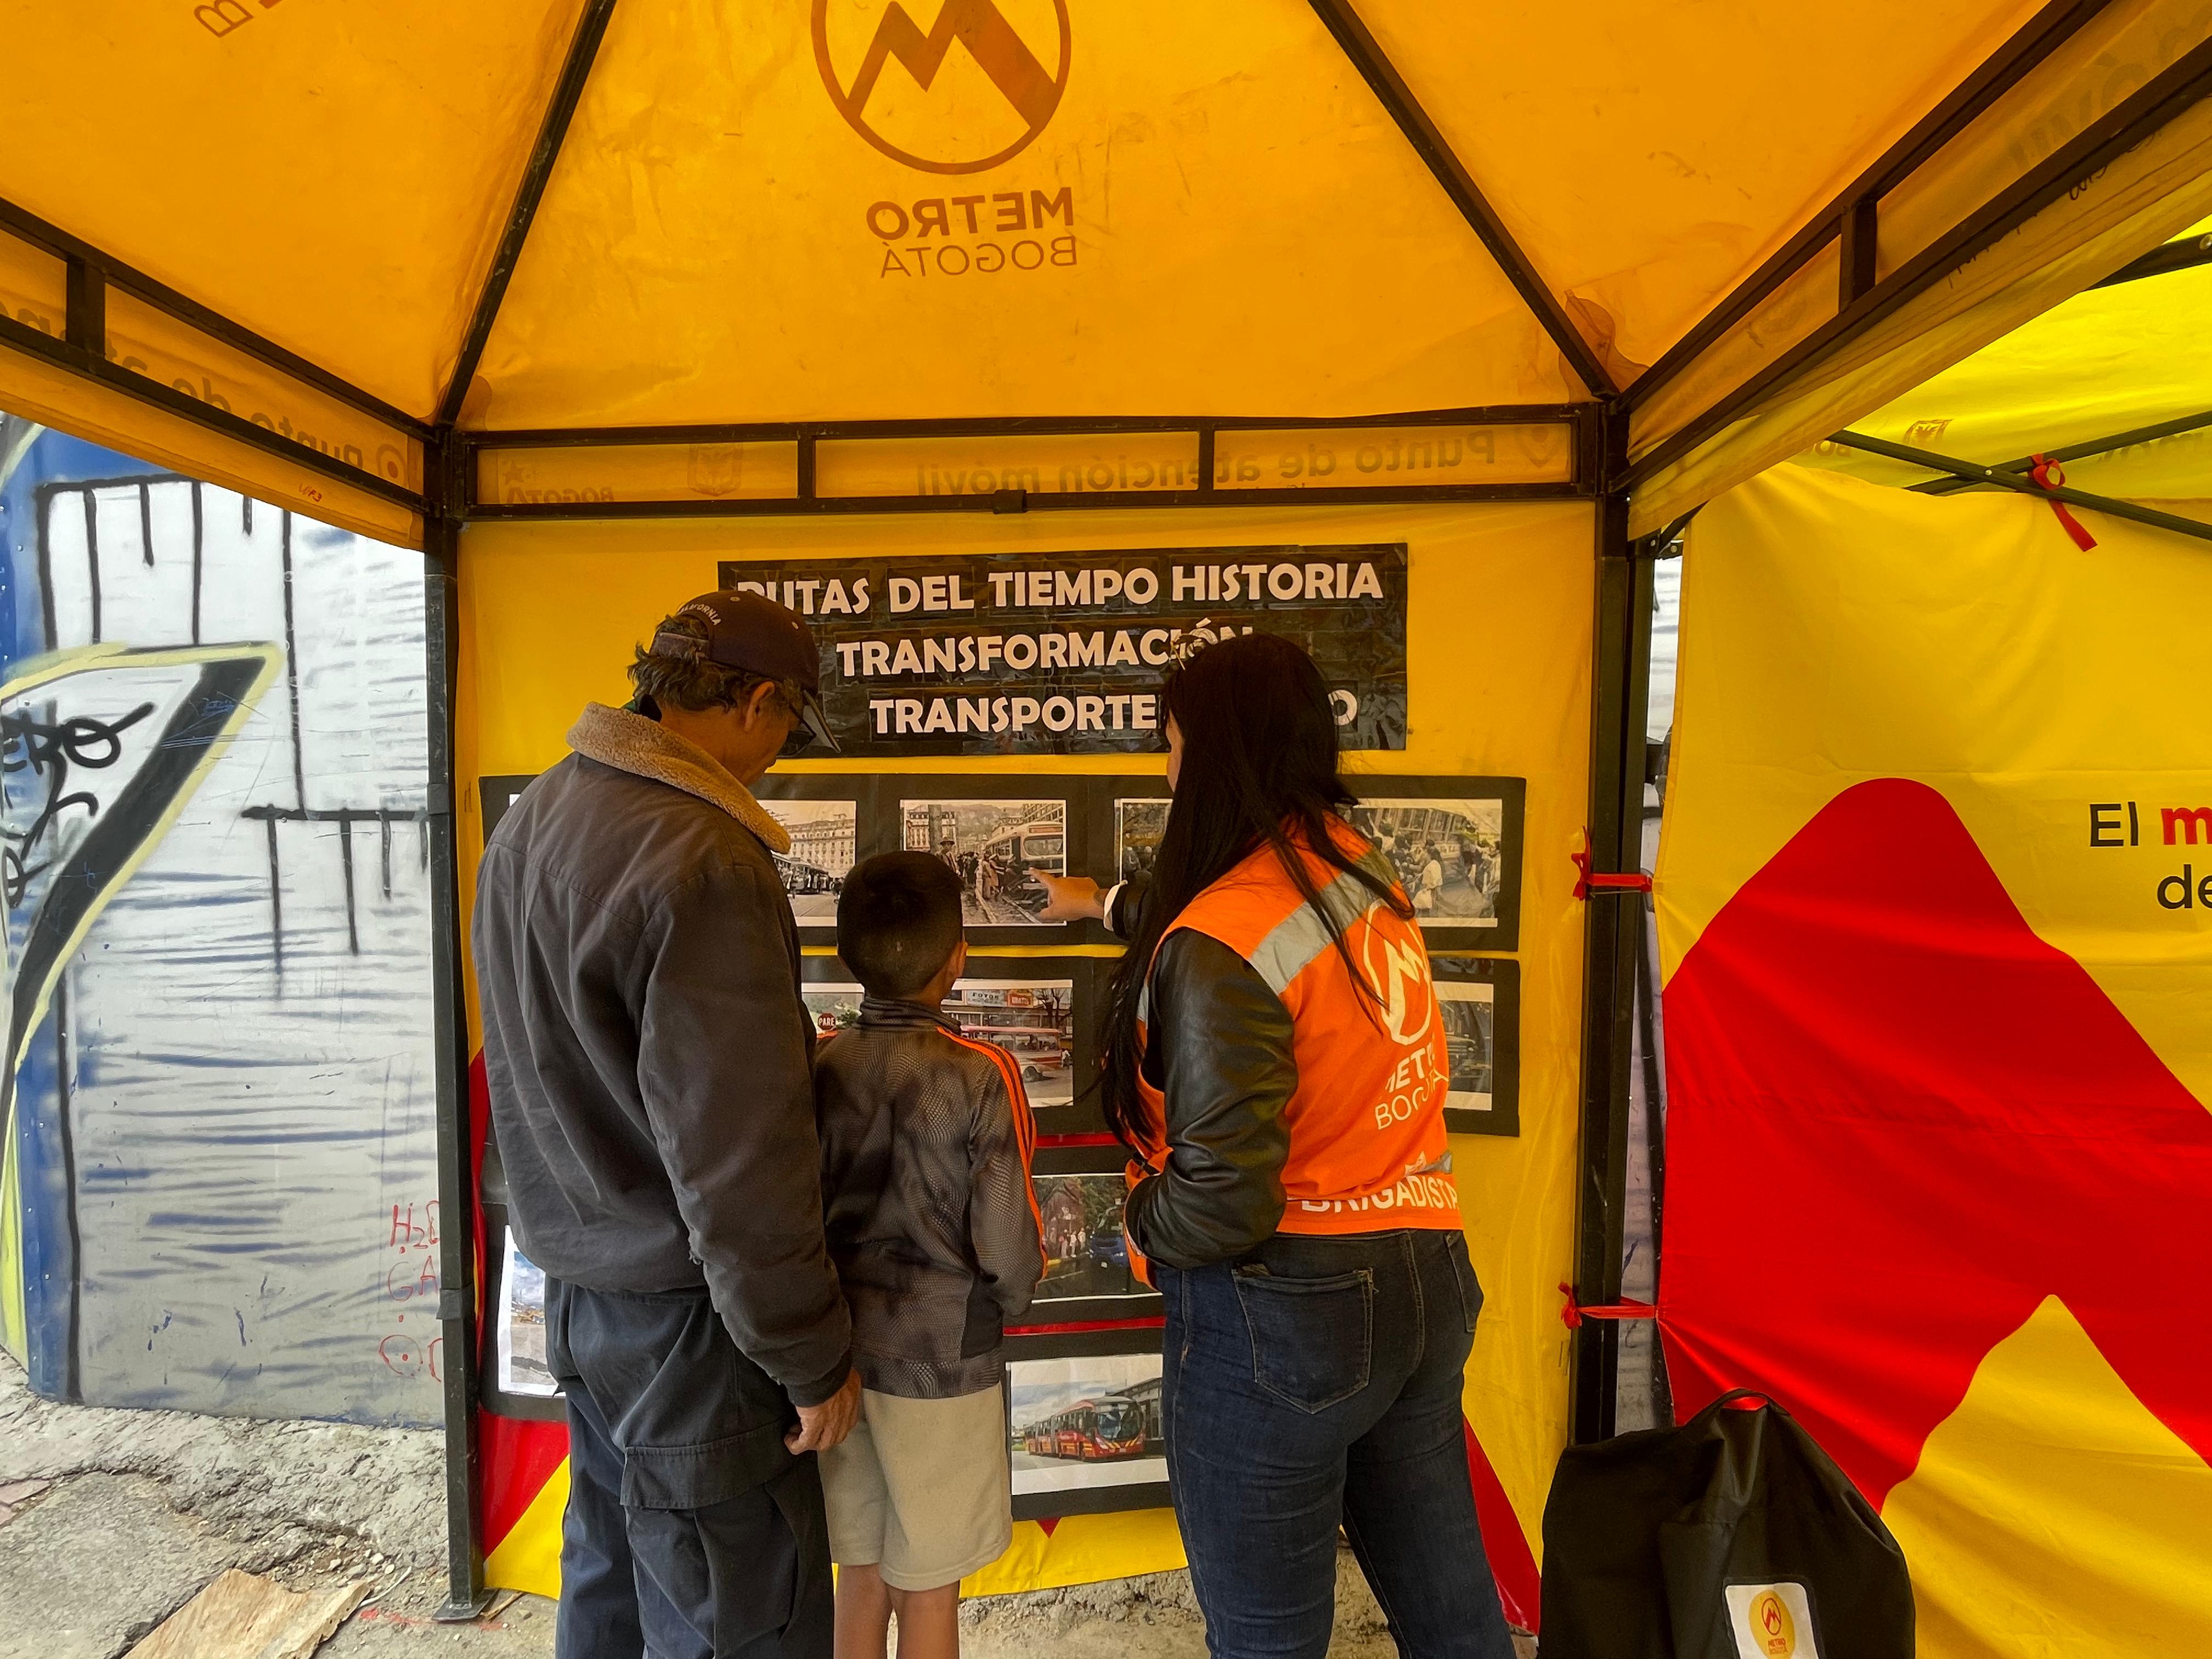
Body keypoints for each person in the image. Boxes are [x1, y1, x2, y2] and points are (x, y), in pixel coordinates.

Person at [1037, 633, 1514, 1659]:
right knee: (1453, 1615)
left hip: (1283, 1313)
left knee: (1266, 1640)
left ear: (1209, 752)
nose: (1166, 771)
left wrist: (1131, 1214)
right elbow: (1249, 941)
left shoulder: (1221, 937)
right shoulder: (1361, 871)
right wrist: (1107, 906)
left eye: (1170, 746)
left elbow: (1219, 1204)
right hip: (1423, 1278)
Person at [474, 591, 861, 1659]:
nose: (780, 754)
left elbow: (548, 1062)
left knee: (608, 1588)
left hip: (581, 1297)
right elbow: (740, 1164)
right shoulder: (708, 857)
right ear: (758, 700)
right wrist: (809, 1353)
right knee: (738, 1616)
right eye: (788, 725)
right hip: (692, 1332)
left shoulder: (540, 814)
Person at [813, 853, 1045, 1659]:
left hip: (839, 1363)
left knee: (861, 1570)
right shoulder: (982, 1077)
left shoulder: (820, 1068)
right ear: (958, 957)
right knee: (930, 1586)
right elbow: (1008, 1247)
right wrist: (1004, 1307)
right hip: (943, 1362)